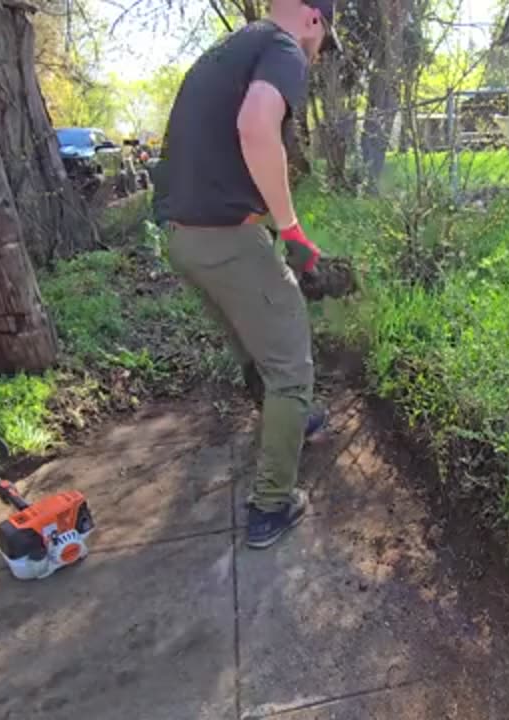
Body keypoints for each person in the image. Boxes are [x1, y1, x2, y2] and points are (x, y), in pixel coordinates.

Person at [154, 0, 340, 548]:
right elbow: (256, 126)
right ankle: (271, 506)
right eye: (323, 40)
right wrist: (291, 230)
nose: (317, 52)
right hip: (227, 241)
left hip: (183, 240)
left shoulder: (224, 51)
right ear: (312, 19)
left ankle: (290, 422)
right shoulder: (282, 47)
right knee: (291, 367)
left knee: (256, 349)